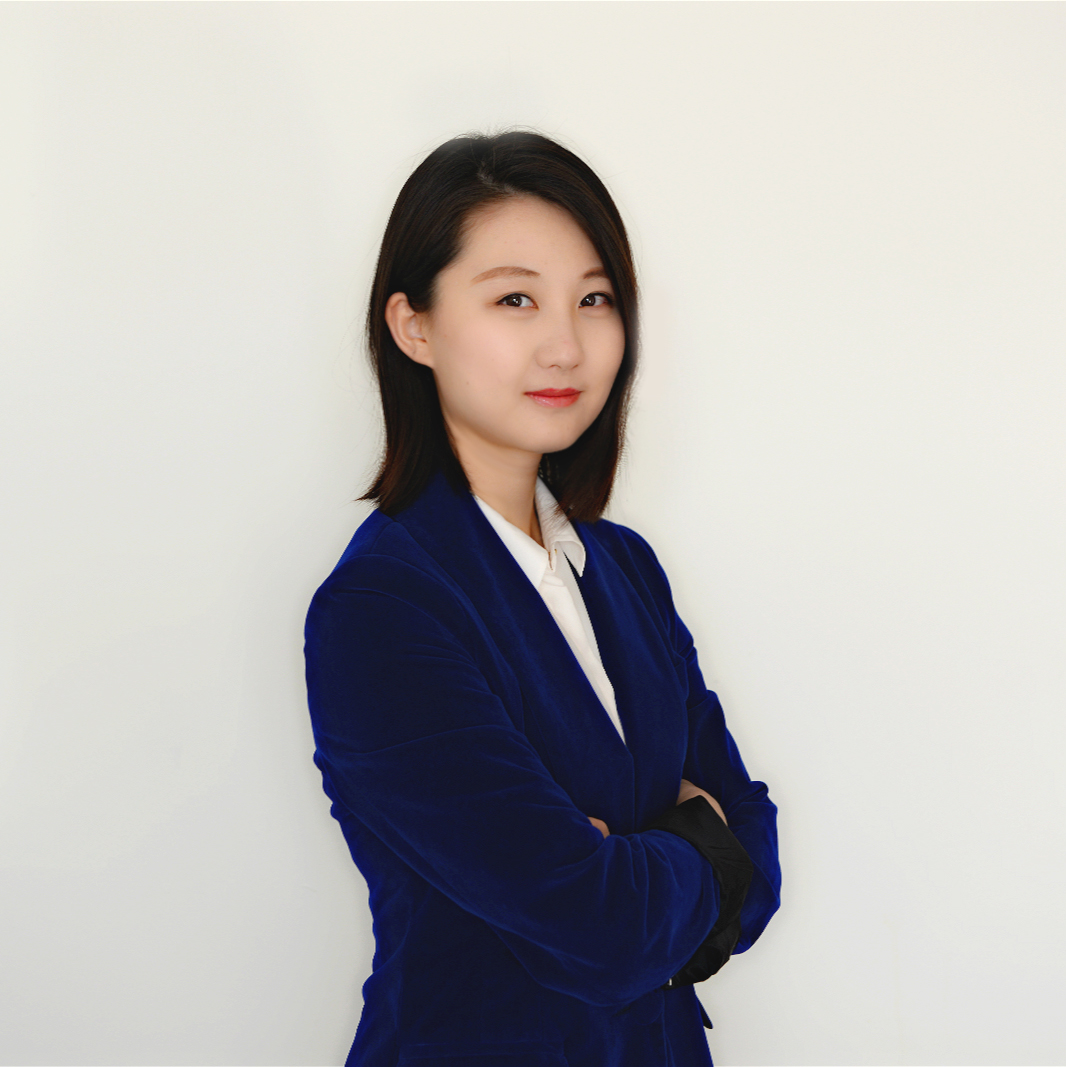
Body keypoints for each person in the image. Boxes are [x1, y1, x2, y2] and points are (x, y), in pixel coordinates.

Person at [303, 130, 780, 1067]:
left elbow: (757, 854)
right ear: (414, 326)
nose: (566, 345)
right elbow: (599, 925)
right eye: (515, 299)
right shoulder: (381, 609)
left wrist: (650, 859)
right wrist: (700, 842)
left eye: (594, 299)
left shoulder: (625, 568)